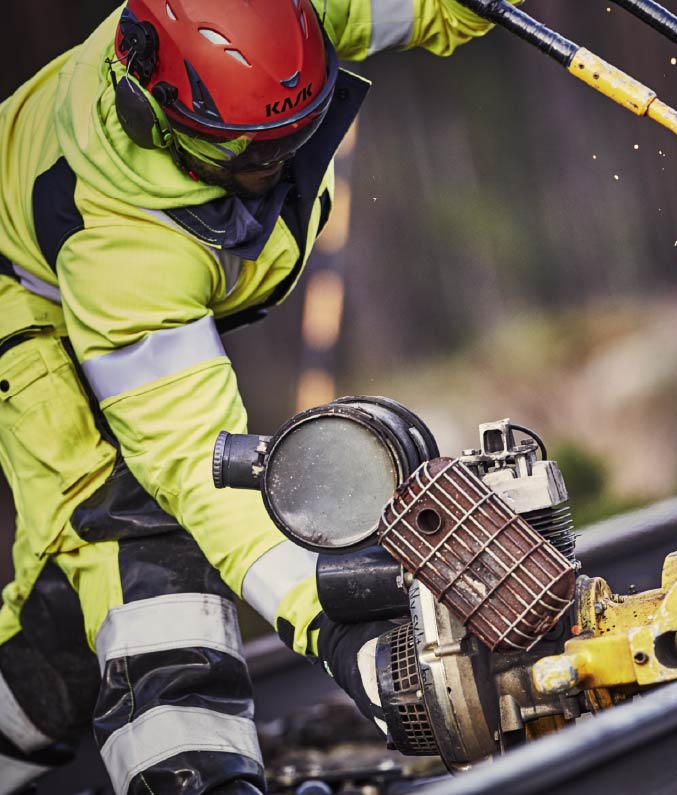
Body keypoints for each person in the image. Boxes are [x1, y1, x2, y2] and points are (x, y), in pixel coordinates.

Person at [0, 1, 501, 792]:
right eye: (247, 151)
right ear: (154, 115)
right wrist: (334, 622)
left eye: (296, 136)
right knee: (133, 538)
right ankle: (191, 775)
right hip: (26, 296)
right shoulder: (120, 247)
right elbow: (198, 467)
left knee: (67, 613)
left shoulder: (281, 19)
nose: (275, 167)